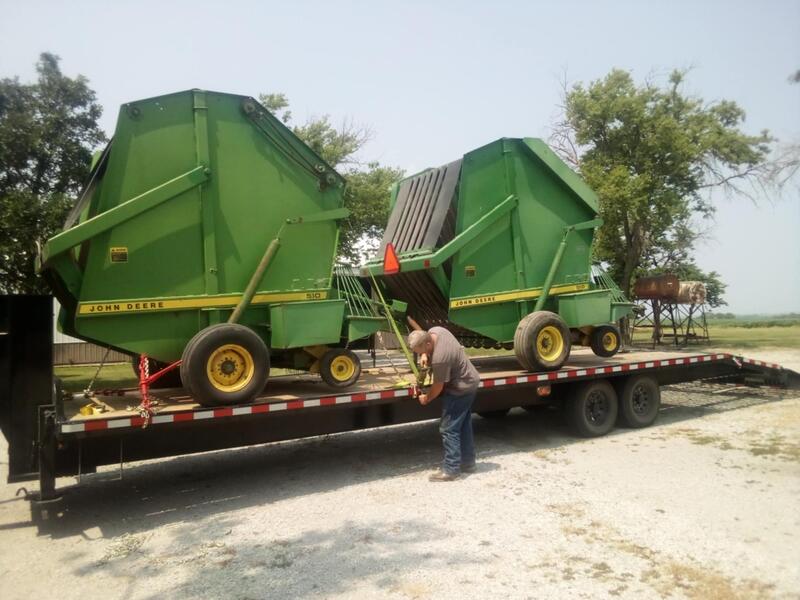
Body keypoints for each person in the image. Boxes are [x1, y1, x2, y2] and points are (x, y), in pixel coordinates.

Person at [408, 327, 481, 481]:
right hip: (470, 380)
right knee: (463, 426)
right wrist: (424, 354)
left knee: (449, 429)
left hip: (460, 388)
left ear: (428, 344)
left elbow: (438, 386)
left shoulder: (440, 359)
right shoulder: (437, 331)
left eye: (421, 351)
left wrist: (427, 398)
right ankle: (468, 464)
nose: (421, 354)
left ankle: (451, 470)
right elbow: (424, 337)